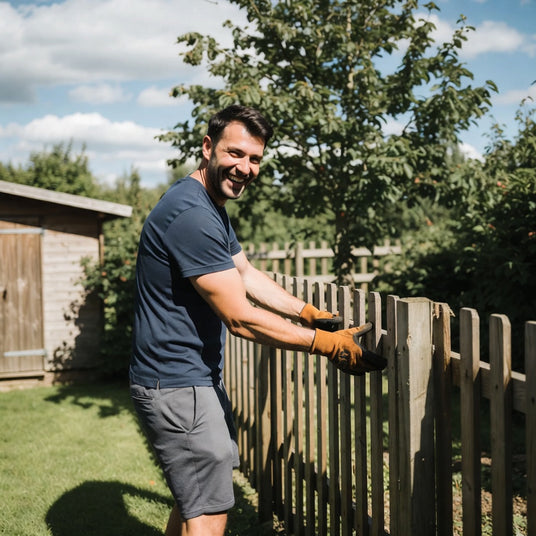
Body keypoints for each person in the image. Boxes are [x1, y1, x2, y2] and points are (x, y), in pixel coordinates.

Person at [129, 104, 386, 536]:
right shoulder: (192, 215)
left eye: (254, 159)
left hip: (185, 380)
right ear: (208, 147)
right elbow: (240, 318)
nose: (245, 168)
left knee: (196, 500)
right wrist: (324, 344)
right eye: (235, 153)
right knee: (209, 514)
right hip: (177, 385)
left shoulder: (206, 204)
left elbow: (245, 273)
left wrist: (307, 312)